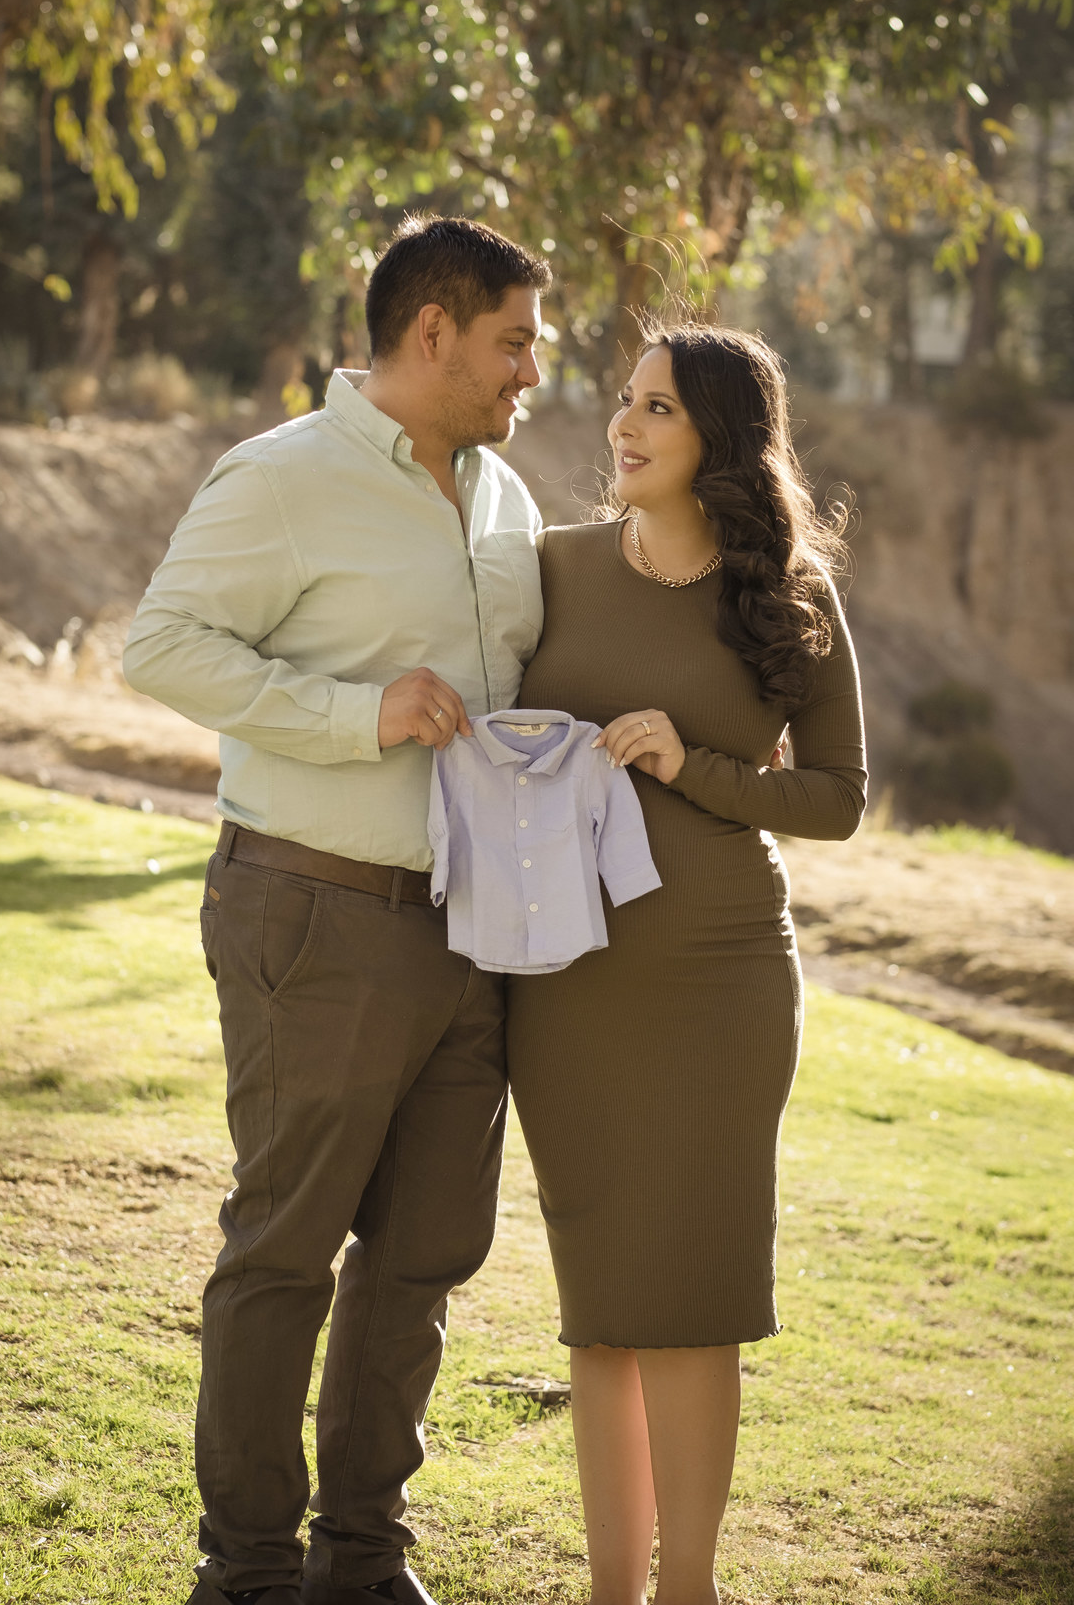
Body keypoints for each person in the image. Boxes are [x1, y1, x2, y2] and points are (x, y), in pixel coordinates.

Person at [123, 216, 551, 1605]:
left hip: (470, 928)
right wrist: (355, 716)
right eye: (511, 342)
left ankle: (360, 1559)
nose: (529, 372)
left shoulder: (507, 501)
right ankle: (244, 1572)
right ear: (433, 330)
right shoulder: (283, 478)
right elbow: (163, 646)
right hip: (313, 909)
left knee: (426, 1247)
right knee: (287, 1246)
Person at [506, 323, 867, 1605]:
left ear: (717, 434)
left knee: (692, 1294)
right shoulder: (546, 567)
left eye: (657, 407)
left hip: (717, 979)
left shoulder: (789, 596)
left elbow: (838, 799)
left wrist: (693, 765)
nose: (625, 424)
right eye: (625, 401)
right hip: (565, 977)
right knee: (600, 1300)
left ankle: (690, 1588)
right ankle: (613, 1591)